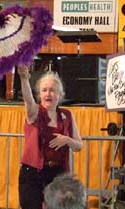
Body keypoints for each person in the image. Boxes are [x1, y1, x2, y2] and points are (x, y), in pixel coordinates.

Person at [17, 64, 83, 209]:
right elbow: (28, 100)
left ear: (59, 95)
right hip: (33, 175)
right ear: (39, 95)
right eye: (44, 90)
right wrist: (24, 79)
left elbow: (79, 145)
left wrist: (66, 140)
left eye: (52, 90)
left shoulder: (67, 115)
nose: (48, 94)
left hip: (58, 174)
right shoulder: (35, 113)